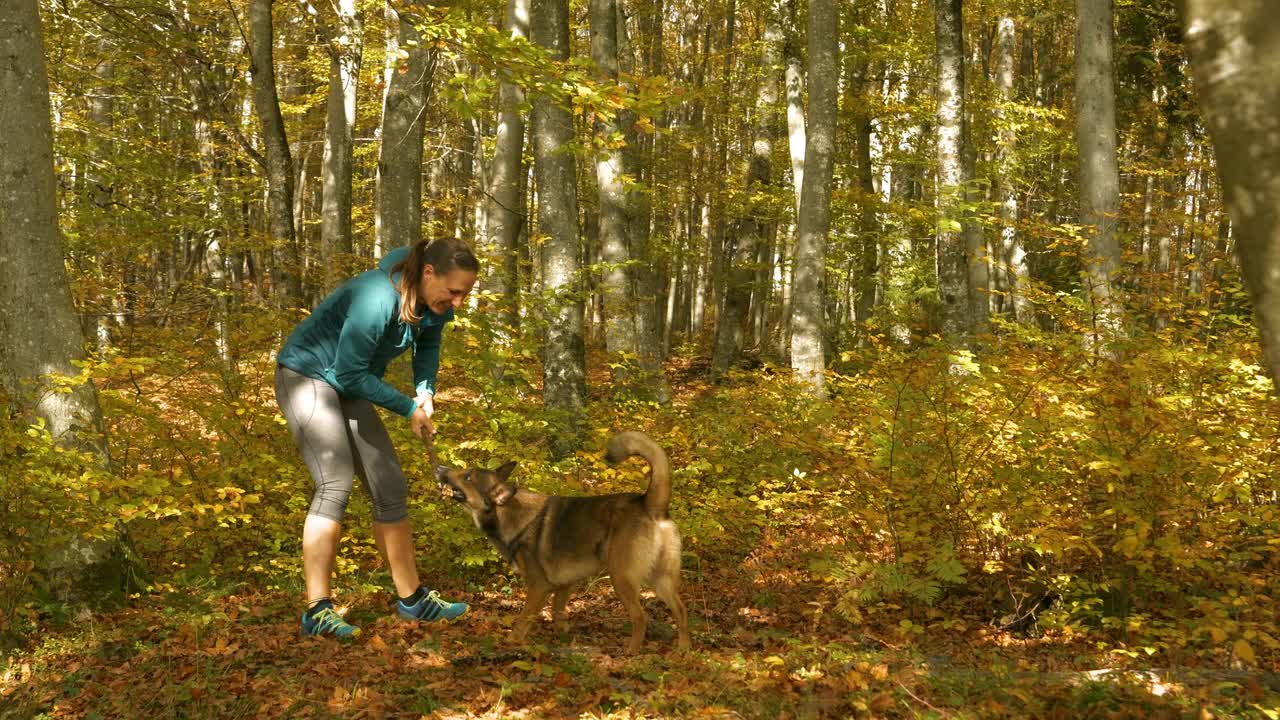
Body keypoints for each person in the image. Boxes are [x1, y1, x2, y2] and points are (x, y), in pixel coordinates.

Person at [274, 237, 479, 639]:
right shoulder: (376, 299)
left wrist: (425, 391)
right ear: (427, 273)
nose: (457, 302)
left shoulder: (433, 302)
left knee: (390, 486)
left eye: (465, 294)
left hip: (346, 382)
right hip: (307, 376)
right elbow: (349, 373)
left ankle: (413, 599)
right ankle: (318, 609)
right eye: (453, 292)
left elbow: (430, 343)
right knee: (335, 482)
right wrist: (407, 408)